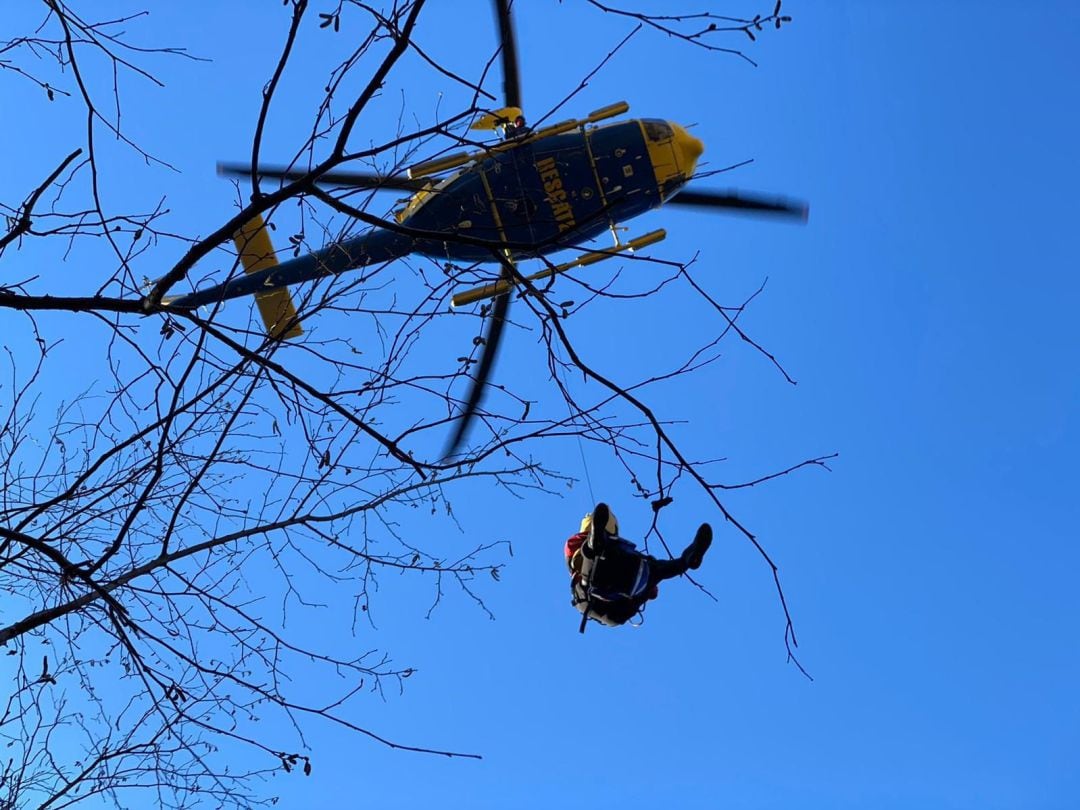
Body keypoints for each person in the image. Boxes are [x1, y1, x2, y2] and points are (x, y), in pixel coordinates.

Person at [565, 502, 712, 629]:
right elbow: (652, 591)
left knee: (593, 558)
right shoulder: (607, 546)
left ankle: (686, 560)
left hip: (600, 604)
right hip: (613, 604)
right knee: (655, 570)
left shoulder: (575, 545)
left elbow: (575, 560)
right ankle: (685, 562)